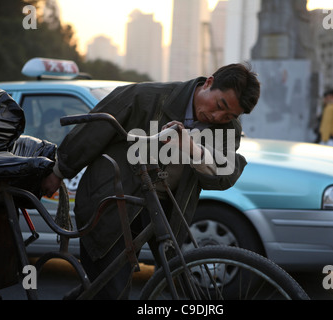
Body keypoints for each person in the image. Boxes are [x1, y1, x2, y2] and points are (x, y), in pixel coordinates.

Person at [41, 63, 261, 299]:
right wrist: (58, 171)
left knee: (177, 281)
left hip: (164, 209)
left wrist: (192, 149)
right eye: (219, 105)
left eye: (229, 115)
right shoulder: (147, 96)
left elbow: (223, 176)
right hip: (113, 200)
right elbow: (94, 130)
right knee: (111, 286)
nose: (218, 117)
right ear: (208, 83)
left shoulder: (227, 128)